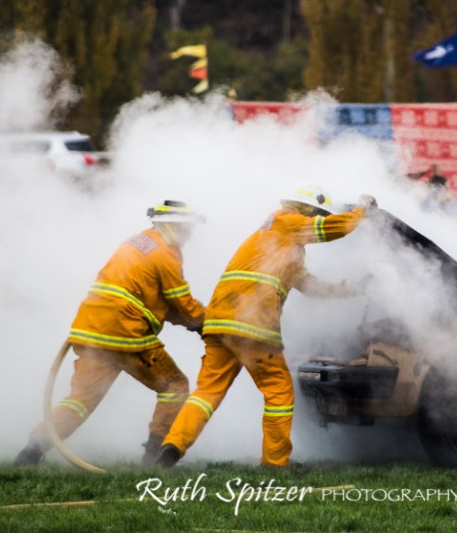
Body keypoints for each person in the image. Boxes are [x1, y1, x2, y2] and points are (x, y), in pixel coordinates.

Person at [155, 184, 376, 469]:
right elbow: (337, 227)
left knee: (207, 392)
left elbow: (313, 287)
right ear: (306, 209)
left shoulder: (282, 243)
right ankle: (275, 461)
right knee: (278, 390)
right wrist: (362, 210)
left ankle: (173, 446)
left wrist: (352, 290)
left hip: (220, 322)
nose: (315, 221)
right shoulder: (287, 221)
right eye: (316, 214)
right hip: (253, 324)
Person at [14, 200, 207, 467]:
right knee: (175, 386)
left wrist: (192, 323)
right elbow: (183, 303)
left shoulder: (137, 242)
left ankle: (31, 451)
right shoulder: (167, 253)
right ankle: (155, 458)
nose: (190, 235)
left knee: (80, 401)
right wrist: (208, 323)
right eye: (187, 228)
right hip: (125, 332)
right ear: (173, 225)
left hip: (91, 330)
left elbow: (164, 303)